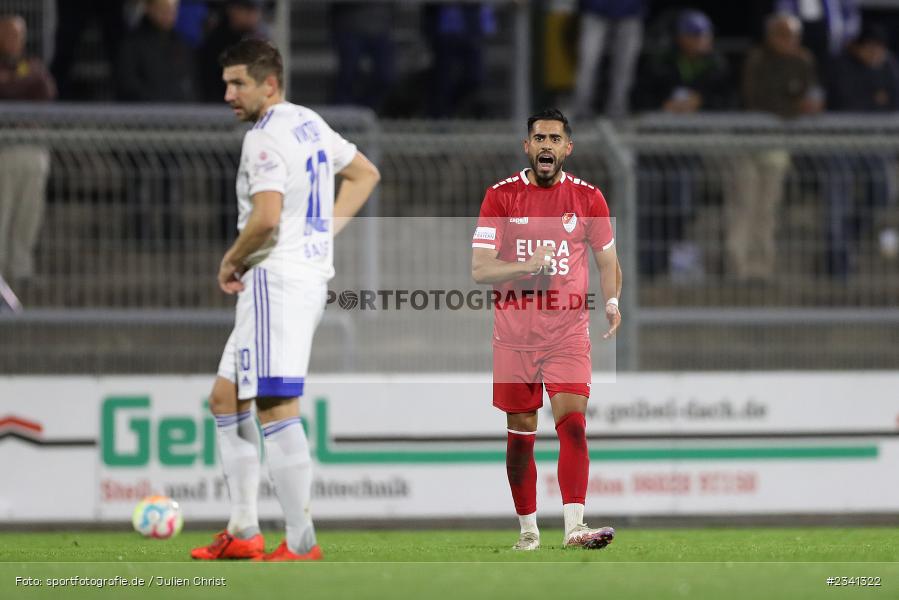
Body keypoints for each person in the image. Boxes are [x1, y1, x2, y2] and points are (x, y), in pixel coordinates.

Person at [190, 39, 380, 561]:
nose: (228, 93)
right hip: (294, 277)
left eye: (238, 84)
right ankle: (245, 529)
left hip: (276, 281)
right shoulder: (308, 121)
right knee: (226, 399)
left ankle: (300, 542)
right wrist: (323, 232)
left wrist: (231, 258)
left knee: (275, 406)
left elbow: (267, 217)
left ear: (268, 84)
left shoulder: (264, 138)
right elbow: (365, 173)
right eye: (226, 82)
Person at [471, 108, 621, 551]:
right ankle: (529, 532)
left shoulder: (589, 199)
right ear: (527, 146)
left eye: (555, 139)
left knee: (572, 425)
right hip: (514, 337)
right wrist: (525, 265)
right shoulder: (500, 197)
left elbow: (609, 261)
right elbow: (480, 270)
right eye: (539, 138)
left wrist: (611, 301)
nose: (546, 146)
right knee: (521, 439)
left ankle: (574, 527)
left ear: (567, 148)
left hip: (567, 333)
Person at [636, 9, 731, 279]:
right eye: (695, 36)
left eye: (704, 35)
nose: (702, 40)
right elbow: (640, 98)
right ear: (681, 38)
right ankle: (648, 267)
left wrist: (701, 103)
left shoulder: (716, 65)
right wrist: (662, 106)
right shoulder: (661, 63)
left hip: (693, 148)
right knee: (650, 208)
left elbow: (728, 100)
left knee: (682, 207)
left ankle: (676, 261)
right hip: (655, 149)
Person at [727, 13, 822, 282]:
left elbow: (810, 96)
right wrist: (794, 107)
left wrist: (801, 106)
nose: (788, 41)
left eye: (792, 36)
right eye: (782, 34)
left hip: (777, 143)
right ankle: (737, 267)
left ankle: (761, 269)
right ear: (770, 36)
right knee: (744, 204)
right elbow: (757, 98)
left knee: (767, 207)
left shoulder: (804, 61)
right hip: (747, 142)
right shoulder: (757, 59)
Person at [824, 24, 899, 276]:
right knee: (838, 201)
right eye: (870, 48)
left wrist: (876, 101)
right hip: (839, 143)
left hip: (872, 144)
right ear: (857, 46)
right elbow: (847, 102)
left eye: (879, 49)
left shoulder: (887, 65)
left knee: (882, 191)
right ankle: (836, 261)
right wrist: (875, 99)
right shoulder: (841, 64)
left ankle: (852, 236)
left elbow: (893, 102)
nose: (875, 54)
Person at [0, 15, 55, 288]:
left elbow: (45, 90)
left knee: (29, 213)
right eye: (8, 33)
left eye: (18, 34)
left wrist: (12, 85)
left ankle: (21, 270)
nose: (13, 40)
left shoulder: (32, 65)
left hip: (32, 149)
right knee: (2, 211)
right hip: (3, 151)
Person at [572, 0, 645, 119]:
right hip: (595, 11)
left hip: (630, 11)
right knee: (589, 63)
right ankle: (581, 111)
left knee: (624, 67)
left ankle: (617, 110)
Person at [116, 0, 196, 102]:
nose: (168, 13)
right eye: (163, 8)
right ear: (149, 8)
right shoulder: (132, 45)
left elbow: (192, 85)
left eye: (173, 9)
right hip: (145, 113)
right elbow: (128, 86)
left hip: (180, 113)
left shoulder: (182, 45)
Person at [197, 0, 265, 103]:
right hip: (219, 109)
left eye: (255, 10)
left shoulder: (259, 41)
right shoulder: (215, 43)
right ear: (232, 10)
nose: (253, 16)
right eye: (247, 10)